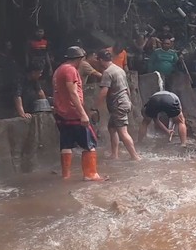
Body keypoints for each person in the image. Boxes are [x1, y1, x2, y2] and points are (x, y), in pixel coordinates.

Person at [52, 46, 104, 181]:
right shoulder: (70, 70)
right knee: (89, 143)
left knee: (66, 144)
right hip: (73, 113)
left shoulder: (59, 70)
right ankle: (90, 174)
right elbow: (72, 92)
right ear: (80, 58)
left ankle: (66, 176)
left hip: (61, 113)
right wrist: (82, 113)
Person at [96, 50, 140, 161]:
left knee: (123, 132)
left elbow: (104, 92)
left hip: (118, 104)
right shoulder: (119, 69)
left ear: (101, 60)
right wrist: (128, 101)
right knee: (111, 128)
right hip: (123, 102)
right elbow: (127, 88)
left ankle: (135, 157)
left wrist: (94, 107)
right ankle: (114, 155)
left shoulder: (108, 72)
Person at [0, 40, 19, 118]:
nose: (9, 48)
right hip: (0, 83)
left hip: (9, 82)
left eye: (10, 46)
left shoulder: (11, 57)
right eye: (7, 46)